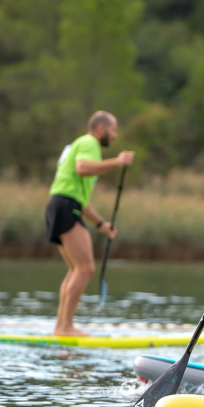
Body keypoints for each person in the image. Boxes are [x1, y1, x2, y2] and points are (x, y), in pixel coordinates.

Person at [45, 111, 134, 337]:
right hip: (65, 206)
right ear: (101, 128)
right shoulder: (89, 142)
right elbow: (82, 168)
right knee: (86, 268)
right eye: (113, 130)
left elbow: (80, 199)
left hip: (60, 205)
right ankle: (65, 327)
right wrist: (117, 162)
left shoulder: (79, 145)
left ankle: (60, 328)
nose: (115, 135)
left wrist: (101, 223)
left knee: (76, 269)